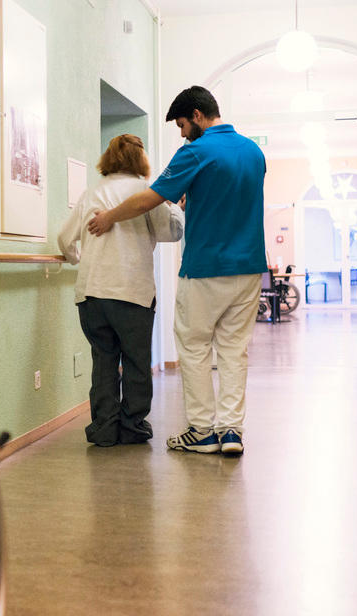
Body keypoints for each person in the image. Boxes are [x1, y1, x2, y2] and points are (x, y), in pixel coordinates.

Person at [86, 86, 267, 456]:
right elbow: (227, 199)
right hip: (249, 268)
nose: (182, 133)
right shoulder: (254, 152)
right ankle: (231, 431)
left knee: (195, 346)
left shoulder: (195, 151)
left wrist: (108, 217)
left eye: (183, 124)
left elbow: (148, 199)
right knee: (234, 350)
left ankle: (202, 430)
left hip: (205, 268)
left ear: (198, 115)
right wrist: (193, 199)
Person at [59, 134, 184, 447]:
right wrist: (177, 206)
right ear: (140, 161)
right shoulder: (146, 192)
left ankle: (103, 429)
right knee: (136, 362)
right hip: (132, 293)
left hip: (91, 293)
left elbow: (64, 238)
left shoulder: (91, 193)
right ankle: (132, 426)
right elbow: (172, 232)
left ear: (109, 159)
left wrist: (79, 259)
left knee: (103, 361)